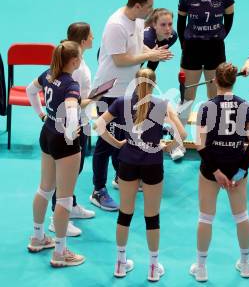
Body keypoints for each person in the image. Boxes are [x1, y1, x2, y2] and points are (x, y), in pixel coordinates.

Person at [94, 68, 186, 281]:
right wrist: (167, 146)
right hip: (153, 163)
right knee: (152, 217)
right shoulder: (162, 104)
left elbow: (98, 125)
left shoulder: (121, 101)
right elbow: (182, 133)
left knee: (125, 214)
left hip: (126, 162)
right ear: (154, 84)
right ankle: (153, 267)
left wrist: (116, 143)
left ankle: (120, 263)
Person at [90, 0, 173, 211]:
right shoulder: (116, 25)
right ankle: (98, 190)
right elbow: (120, 60)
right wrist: (149, 56)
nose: (151, 11)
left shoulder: (136, 21)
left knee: (124, 135)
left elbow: (137, 47)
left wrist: (152, 52)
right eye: (148, 8)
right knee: (106, 141)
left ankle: (120, 177)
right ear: (137, 6)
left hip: (127, 89)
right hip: (108, 91)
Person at [190, 63, 249, 282]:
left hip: (212, 169)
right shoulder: (246, 106)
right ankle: (246, 264)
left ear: (215, 80)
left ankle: (201, 268)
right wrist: (240, 171)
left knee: (205, 217)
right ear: (234, 80)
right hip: (236, 166)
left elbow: (199, 144)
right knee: (242, 216)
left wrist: (215, 172)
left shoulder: (206, 107)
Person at [26, 41, 85, 267]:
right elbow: (71, 110)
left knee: (44, 188)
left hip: (47, 132)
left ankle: (38, 237)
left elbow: (31, 90)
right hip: (64, 142)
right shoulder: (71, 84)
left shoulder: (49, 73)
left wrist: (41, 115)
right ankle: (60, 252)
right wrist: (71, 132)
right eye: (79, 57)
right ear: (74, 61)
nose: (81, 60)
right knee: (64, 197)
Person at [175, 0, 235, 160]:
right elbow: (181, 23)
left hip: (215, 49)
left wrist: (220, 36)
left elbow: (229, 19)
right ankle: (178, 142)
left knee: (215, 95)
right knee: (187, 96)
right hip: (192, 48)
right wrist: (185, 44)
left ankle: (212, 139)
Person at [48, 22, 96, 237]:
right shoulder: (74, 69)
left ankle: (71, 205)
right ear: (84, 40)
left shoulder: (78, 61)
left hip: (81, 122)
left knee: (75, 170)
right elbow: (72, 103)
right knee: (66, 174)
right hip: (72, 126)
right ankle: (55, 218)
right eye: (91, 35)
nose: (94, 38)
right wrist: (95, 98)